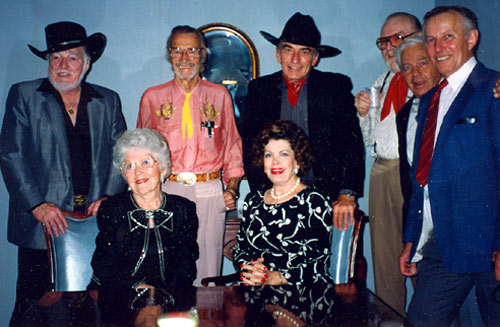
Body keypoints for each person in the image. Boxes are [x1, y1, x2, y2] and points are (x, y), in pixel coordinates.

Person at [0, 21, 127, 326]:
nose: (62, 65)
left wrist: (108, 197)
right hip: (40, 225)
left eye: (72, 57)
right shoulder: (24, 95)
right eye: (55, 57)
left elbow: (121, 154)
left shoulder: (108, 100)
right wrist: (36, 205)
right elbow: (10, 154)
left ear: (87, 63)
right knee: (34, 310)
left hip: (95, 225)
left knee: (94, 311)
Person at [399, 6, 500, 326]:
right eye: (431, 40)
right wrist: (411, 241)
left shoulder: (493, 89)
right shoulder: (429, 98)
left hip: (490, 247)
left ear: (471, 39)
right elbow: (422, 178)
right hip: (444, 246)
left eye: (448, 37)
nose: (438, 48)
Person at [137, 25, 244, 285]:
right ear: (169, 55)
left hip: (209, 189)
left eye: (192, 51)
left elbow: (232, 146)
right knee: (167, 269)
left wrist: (231, 187)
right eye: (177, 51)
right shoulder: (152, 97)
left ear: (203, 55)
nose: (184, 59)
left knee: (207, 270)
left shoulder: (219, 96)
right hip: (167, 190)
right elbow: (141, 152)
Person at [243, 12, 365, 230]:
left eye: (304, 52)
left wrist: (347, 193)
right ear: (278, 54)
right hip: (275, 197)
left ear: (315, 58)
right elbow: (250, 148)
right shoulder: (259, 90)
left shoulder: (335, 87)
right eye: (288, 49)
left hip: (326, 199)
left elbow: (351, 144)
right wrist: (264, 196)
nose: (295, 59)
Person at [88, 129, 198, 324]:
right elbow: (104, 265)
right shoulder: (112, 209)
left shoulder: (183, 209)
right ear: (123, 173)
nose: (137, 171)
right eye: (129, 166)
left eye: (145, 162)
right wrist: (139, 289)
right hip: (118, 299)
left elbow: (186, 266)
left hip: (169, 300)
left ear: (163, 168)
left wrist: (161, 297)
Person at [234, 120, 335, 325]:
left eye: (284, 154)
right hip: (259, 297)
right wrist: (249, 269)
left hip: (305, 299)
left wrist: (278, 277)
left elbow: (318, 262)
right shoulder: (253, 201)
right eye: (268, 155)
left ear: (297, 160)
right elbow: (240, 250)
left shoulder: (314, 200)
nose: (275, 162)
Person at [354, 12, 421, 315]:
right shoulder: (381, 82)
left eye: (396, 38)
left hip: (412, 173)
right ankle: (391, 320)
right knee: (384, 260)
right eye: (383, 41)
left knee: (419, 258)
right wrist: (364, 113)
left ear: (417, 37)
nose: (387, 47)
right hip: (380, 171)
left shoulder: (424, 76)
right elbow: (370, 139)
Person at [394, 36, 440, 223]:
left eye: (423, 63)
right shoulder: (404, 115)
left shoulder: (457, 105)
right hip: (418, 217)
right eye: (407, 67)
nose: (415, 73)